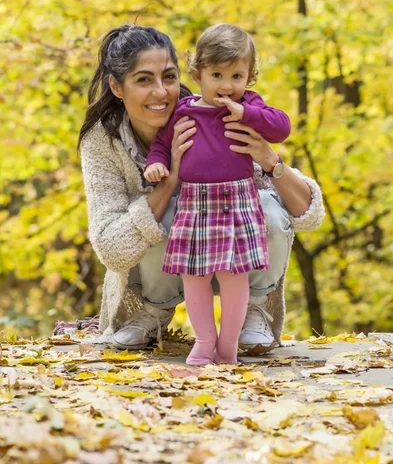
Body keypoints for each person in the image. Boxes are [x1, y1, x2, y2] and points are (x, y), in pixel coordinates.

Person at [78, 24, 324, 355]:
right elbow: (111, 247)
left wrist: (269, 159)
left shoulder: (220, 113)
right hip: (171, 263)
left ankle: (252, 308)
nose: (161, 92)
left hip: (231, 255)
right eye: (143, 80)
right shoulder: (102, 140)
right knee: (162, 214)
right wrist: (172, 178)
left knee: (263, 208)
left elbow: (308, 216)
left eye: (168, 77)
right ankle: (154, 309)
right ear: (116, 86)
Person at [143, 23, 291, 365]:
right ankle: (204, 342)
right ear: (197, 74)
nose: (227, 85)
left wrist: (249, 113)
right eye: (217, 74)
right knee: (193, 276)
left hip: (237, 202)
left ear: (249, 77)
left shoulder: (249, 105)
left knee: (233, 277)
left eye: (237, 76)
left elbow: (281, 127)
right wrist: (156, 165)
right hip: (194, 204)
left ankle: (227, 346)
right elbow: (162, 146)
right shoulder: (184, 109)